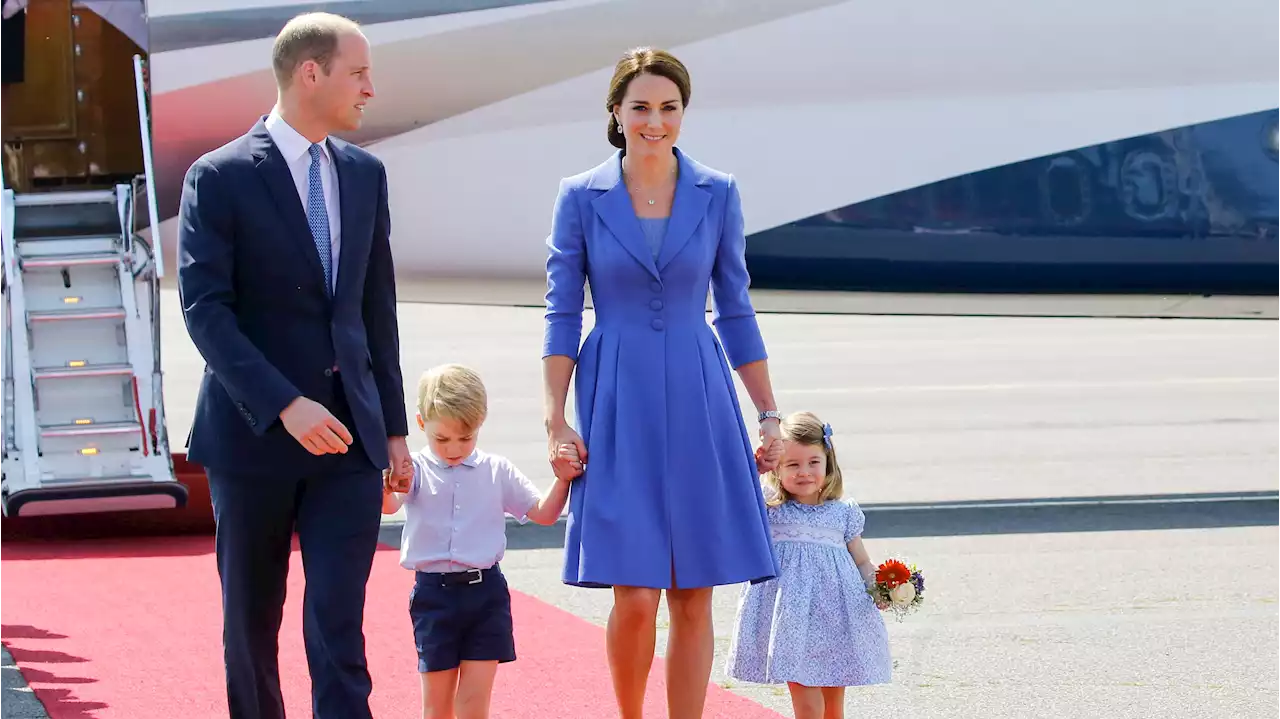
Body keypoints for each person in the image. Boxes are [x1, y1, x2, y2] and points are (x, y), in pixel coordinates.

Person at [176, 12, 411, 719]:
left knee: (339, 620)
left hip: (349, 440)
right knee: (252, 624)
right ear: (311, 73)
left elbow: (377, 313)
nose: (371, 88)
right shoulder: (216, 177)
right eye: (359, 72)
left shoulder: (366, 175)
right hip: (253, 440)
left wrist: (394, 430)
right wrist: (284, 403)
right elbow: (205, 311)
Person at [541, 46, 785, 719]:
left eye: (669, 107)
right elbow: (562, 310)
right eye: (641, 106)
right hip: (615, 395)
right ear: (616, 112)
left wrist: (768, 411)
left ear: (684, 113)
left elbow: (734, 306)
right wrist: (555, 418)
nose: (655, 120)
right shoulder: (580, 195)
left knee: (693, 591)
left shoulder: (719, 191)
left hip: (700, 389)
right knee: (636, 591)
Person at [382, 363, 578, 719]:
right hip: (433, 596)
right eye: (442, 439)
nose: (454, 448)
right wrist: (386, 480)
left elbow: (544, 513)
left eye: (466, 437)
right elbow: (390, 504)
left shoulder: (496, 469)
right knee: (437, 708)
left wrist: (563, 480)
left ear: (480, 423)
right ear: (422, 424)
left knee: (474, 707)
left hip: (485, 595)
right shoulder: (417, 470)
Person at [725, 412, 893, 719]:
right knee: (807, 703)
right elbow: (735, 488)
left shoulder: (842, 512)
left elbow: (862, 559)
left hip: (836, 617)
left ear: (828, 462)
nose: (804, 472)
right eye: (793, 464)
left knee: (833, 706)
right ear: (777, 468)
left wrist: (879, 587)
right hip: (792, 621)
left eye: (813, 462)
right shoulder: (770, 508)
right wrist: (759, 459)